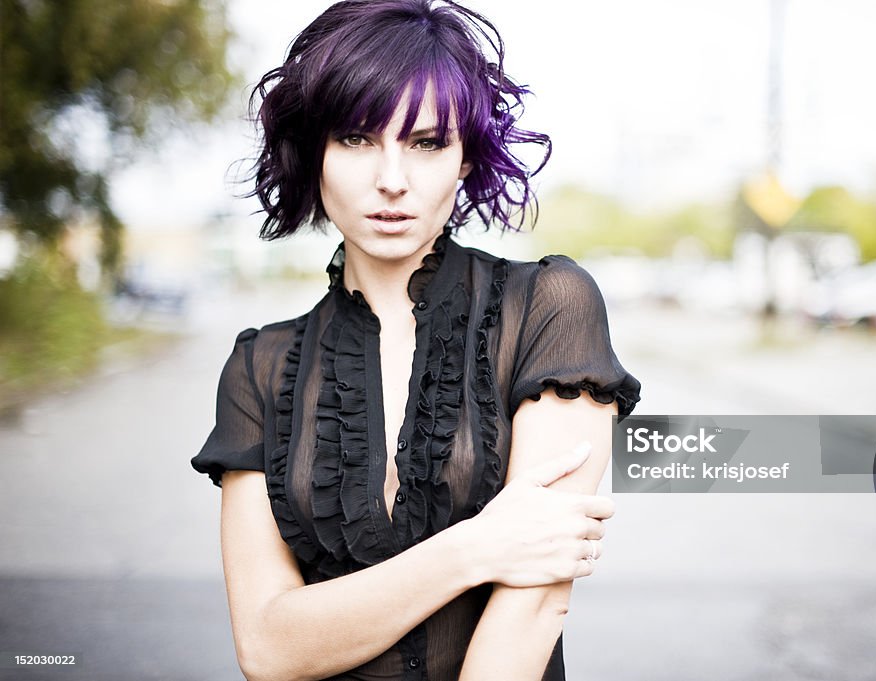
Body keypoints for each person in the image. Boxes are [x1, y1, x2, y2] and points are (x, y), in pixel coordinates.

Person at [190, 1, 641, 679]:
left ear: (465, 159)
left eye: (427, 142)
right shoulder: (259, 366)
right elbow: (268, 646)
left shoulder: (550, 308)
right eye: (356, 138)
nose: (392, 179)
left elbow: (535, 604)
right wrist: (475, 548)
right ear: (313, 151)